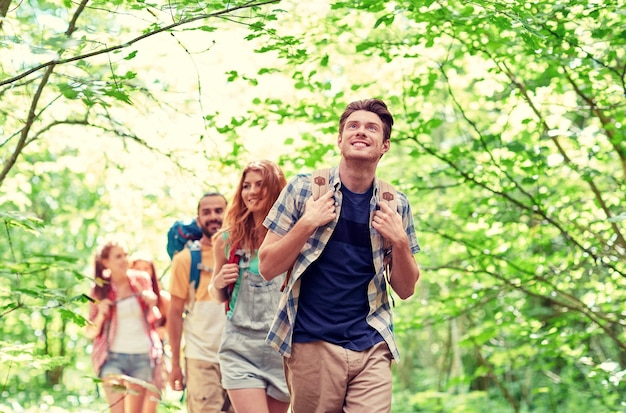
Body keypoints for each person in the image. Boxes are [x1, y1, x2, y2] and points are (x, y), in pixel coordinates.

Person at [258, 98, 422, 413]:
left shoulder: (395, 203)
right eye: (353, 126)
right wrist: (307, 223)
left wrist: (400, 240)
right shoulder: (304, 189)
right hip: (312, 342)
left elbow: (406, 288)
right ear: (340, 139)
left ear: (384, 145)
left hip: (371, 341)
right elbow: (267, 267)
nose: (361, 132)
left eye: (372, 128)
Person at [208, 161, 290, 413]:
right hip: (240, 347)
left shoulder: (291, 236)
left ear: (275, 189)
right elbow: (215, 293)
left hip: (282, 350)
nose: (251, 191)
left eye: (259, 185)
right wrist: (219, 281)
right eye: (246, 186)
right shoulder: (227, 239)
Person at [167, 192, 234, 413]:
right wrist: (175, 365)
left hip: (239, 359)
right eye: (206, 212)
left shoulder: (240, 253)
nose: (213, 216)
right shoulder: (185, 259)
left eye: (218, 210)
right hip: (200, 359)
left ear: (229, 213)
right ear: (198, 219)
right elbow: (174, 314)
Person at [86, 239, 163, 413]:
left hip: (142, 356)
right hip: (112, 358)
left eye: (126, 255)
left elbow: (154, 318)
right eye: (118, 256)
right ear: (106, 262)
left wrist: (152, 302)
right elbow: (90, 331)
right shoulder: (99, 290)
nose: (124, 260)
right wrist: (101, 314)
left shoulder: (141, 280)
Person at [130, 252, 171, 411]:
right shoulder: (125, 301)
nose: (141, 272)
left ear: (152, 272)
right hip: (131, 357)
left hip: (156, 359)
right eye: (137, 268)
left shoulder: (163, 299)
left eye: (145, 268)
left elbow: (173, 325)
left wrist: (163, 331)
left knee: (150, 403)